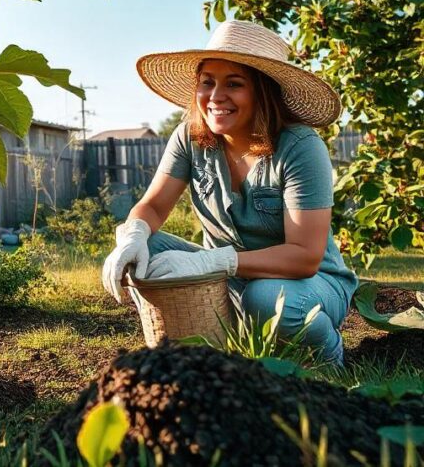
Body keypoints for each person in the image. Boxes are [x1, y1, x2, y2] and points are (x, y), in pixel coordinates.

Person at [101, 20, 358, 365]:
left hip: (307, 285)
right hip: (227, 282)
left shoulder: (300, 147)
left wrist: (213, 261)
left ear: (262, 92)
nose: (215, 96)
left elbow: (305, 257)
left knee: (266, 299)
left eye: (234, 84)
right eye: (207, 83)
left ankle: (327, 356)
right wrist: (132, 235)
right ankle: (193, 356)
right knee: (145, 248)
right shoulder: (189, 138)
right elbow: (154, 205)